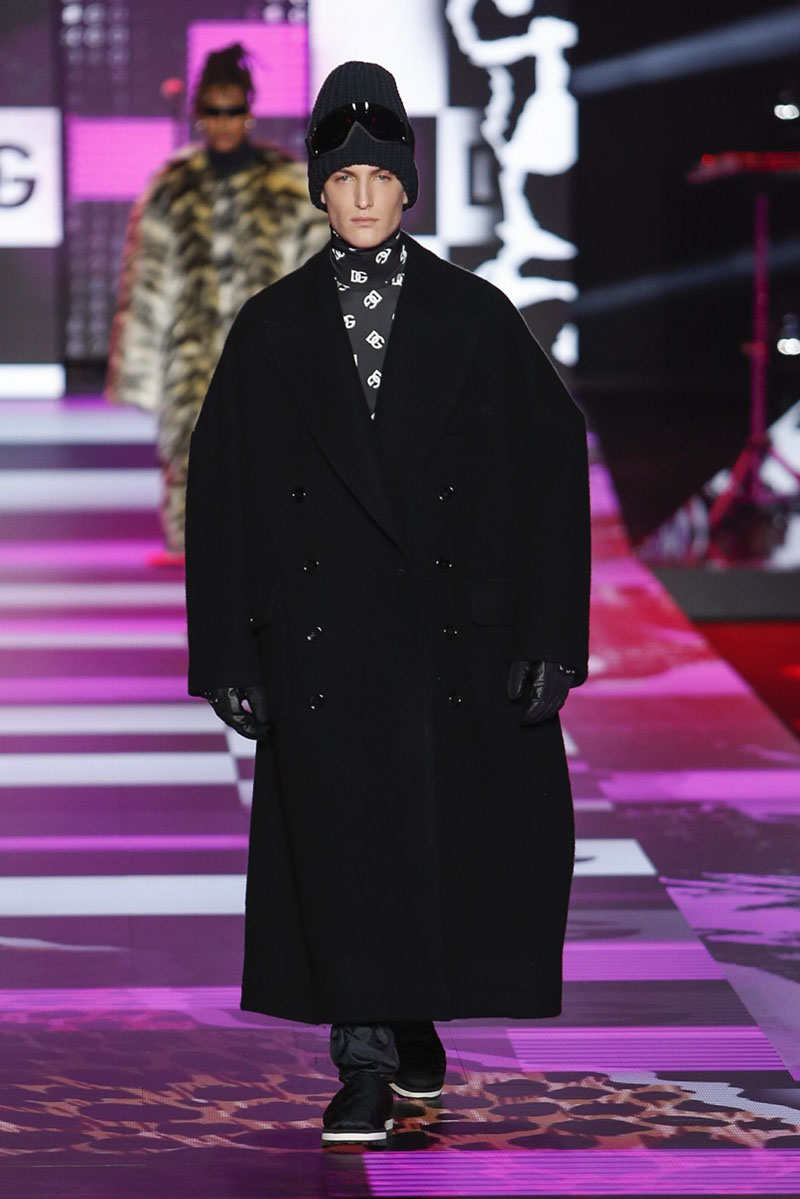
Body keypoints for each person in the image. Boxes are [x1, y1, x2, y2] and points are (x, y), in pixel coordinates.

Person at [185, 61, 590, 1145]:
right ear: (319, 189)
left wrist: (553, 636)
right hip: (325, 648)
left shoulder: (475, 316)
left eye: (380, 177)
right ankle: (363, 1058)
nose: (362, 196)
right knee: (347, 849)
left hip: (452, 642)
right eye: (344, 177)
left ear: (408, 185)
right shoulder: (271, 328)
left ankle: (409, 1024)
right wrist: (225, 651)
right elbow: (220, 492)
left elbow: (553, 471)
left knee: (433, 848)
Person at [107, 43, 327, 563]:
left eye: (232, 110)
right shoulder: (172, 186)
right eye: (213, 110)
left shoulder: (289, 185)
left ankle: (273, 547)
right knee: (190, 448)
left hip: (268, 351)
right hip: (193, 350)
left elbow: (316, 278)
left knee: (272, 451)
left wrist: (315, 356)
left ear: (249, 112)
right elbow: (148, 279)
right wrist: (140, 367)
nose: (223, 121)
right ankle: (192, 547)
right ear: (198, 114)